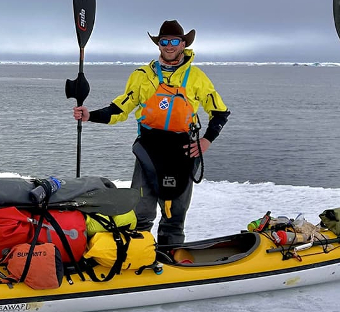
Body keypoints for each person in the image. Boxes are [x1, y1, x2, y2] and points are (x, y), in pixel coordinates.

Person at [72, 20, 230, 248]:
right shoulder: (142, 76)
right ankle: (140, 256)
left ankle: (170, 257)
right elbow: (120, 107)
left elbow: (220, 113)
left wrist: (206, 140)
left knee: (175, 215)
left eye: (174, 41)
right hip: (149, 148)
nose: (169, 45)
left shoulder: (197, 78)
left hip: (183, 150)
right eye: (164, 41)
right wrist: (90, 115)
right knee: (141, 212)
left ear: (183, 44)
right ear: (159, 45)